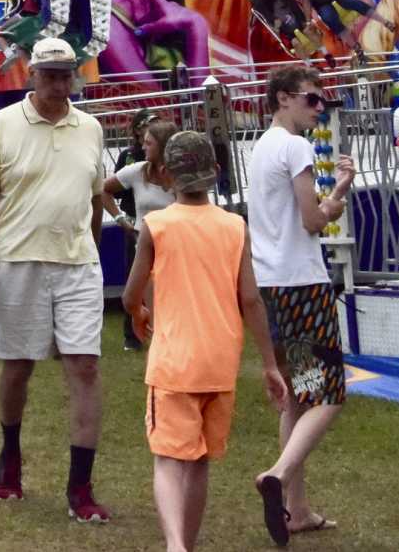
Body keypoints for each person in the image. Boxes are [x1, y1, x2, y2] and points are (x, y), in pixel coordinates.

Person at [0, 35, 111, 524]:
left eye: (65, 73)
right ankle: (10, 452)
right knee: (17, 366)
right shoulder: (1, 125)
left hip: (77, 265)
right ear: (30, 74)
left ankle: (81, 488)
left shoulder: (90, 128)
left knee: (85, 369)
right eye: (49, 74)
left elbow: (94, 201)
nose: (58, 82)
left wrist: (89, 250)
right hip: (17, 262)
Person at [122, 132, 288, 552]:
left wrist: (139, 313)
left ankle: (176, 545)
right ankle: (187, 545)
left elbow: (130, 294)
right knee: (198, 462)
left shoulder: (156, 226)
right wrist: (269, 364)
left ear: (166, 175)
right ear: (215, 172)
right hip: (220, 363)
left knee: (167, 460)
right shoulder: (235, 227)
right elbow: (250, 299)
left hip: (175, 362)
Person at [247, 64, 355, 545]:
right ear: (285, 98)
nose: (319, 108)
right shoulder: (295, 146)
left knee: (296, 395)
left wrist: (331, 197)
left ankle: (297, 507)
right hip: (302, 285)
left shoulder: (262, 146)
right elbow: (313, 220)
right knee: (328, 395)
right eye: (313, 100)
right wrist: (337, 200)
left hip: (271, 284)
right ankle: (278, 474)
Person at [103, 119, 179, 351]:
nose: (142, 147)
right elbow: (103, 190)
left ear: (164, 146)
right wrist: (120, 219)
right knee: (154, 308)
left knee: (181, 308)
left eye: (149, 143)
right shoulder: (137, 171)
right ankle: (162, 358)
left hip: (179, 248)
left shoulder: (181, 173)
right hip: (147, 250)